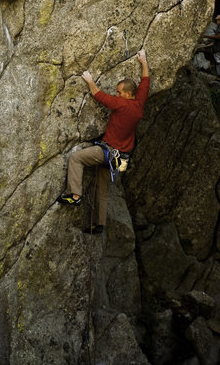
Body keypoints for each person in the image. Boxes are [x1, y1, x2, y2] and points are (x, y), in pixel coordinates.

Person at [56, 49, 150, 234]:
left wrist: (89, 80)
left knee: (76, 158)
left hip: (106, 152)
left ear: (128, 94)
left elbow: (99, 96)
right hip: (120, 158)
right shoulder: (139, 105)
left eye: (119, 92)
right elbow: (145, 82)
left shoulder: (121, 105)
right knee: (102, 188)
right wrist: (143, 61)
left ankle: (75, 195)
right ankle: (100, 224)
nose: (116, 94)